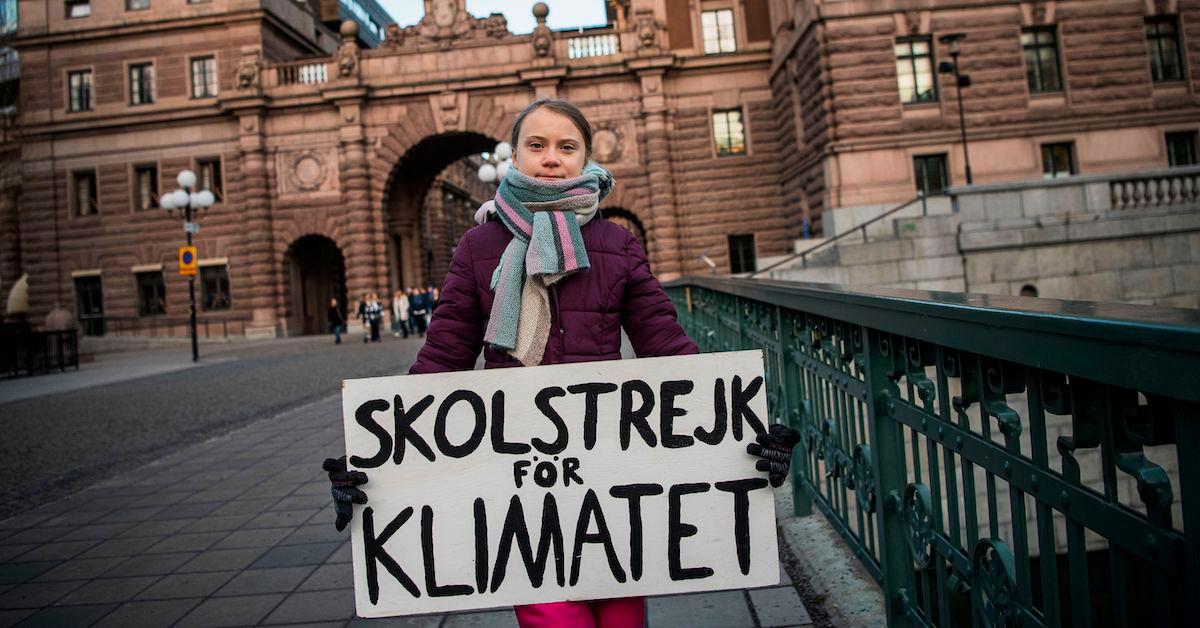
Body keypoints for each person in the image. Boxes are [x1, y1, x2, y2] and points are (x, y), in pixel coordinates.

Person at [323, 99, 800, 628]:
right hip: (518, 477)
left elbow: (666, 347)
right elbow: (443, 359)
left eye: (567, 147)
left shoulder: (617, 243)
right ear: (515, 158)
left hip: (609, 476)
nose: (552, 158)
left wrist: (741, 431)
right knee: (553, 617)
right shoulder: (478, 245)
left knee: (621, 613)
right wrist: (380, 456)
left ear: (586, 158)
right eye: (537, 145)